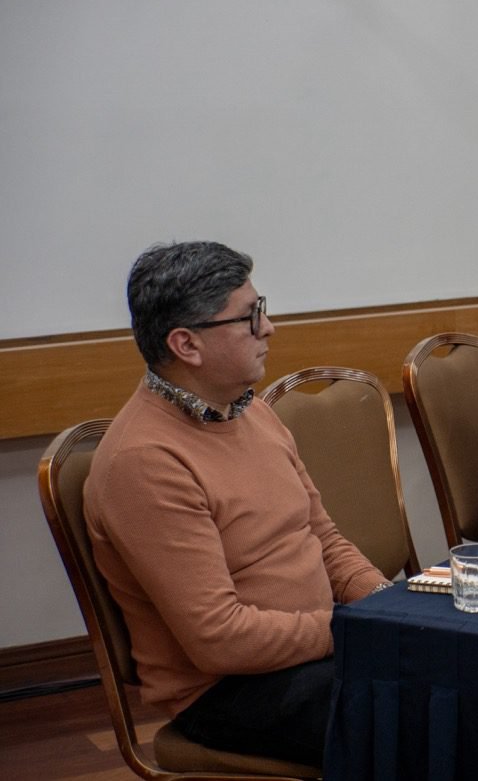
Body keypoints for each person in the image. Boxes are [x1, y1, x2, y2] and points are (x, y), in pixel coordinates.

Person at [84, 241, 391, 768]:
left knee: (469, 672)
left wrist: (387, 604)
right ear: (187, 344)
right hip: (230, 691)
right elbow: (220, 640)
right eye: (249, 316)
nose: (268, 328)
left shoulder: (248, 411)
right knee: (433, 712)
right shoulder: (144, 462)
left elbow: (323, 539)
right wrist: (352, 630)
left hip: (313, 654)